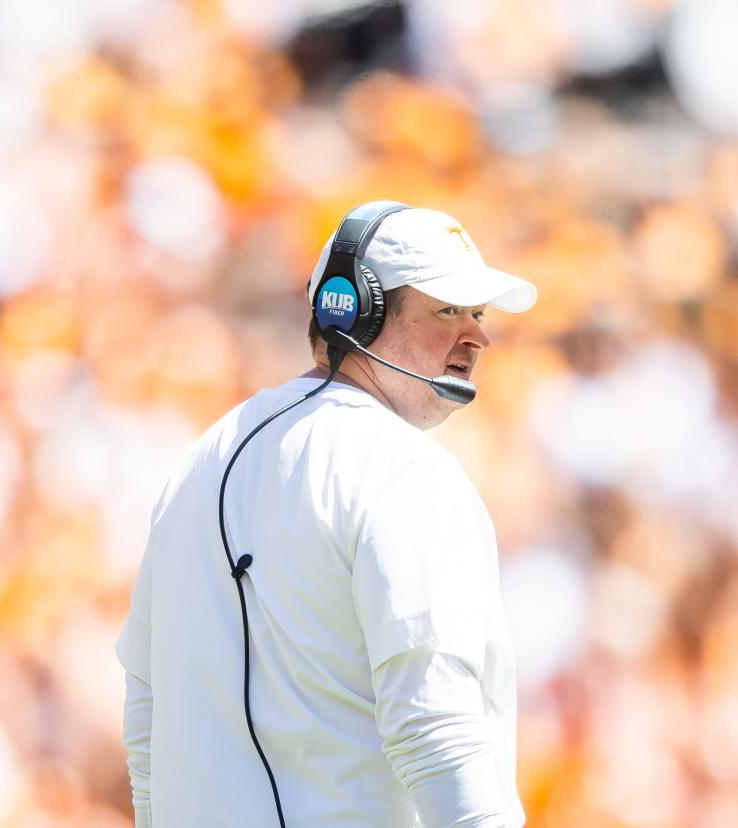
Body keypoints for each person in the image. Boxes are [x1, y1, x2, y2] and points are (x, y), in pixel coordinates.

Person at [116, 203, 537, 827]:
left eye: (478, 313)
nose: (476, 336)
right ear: (354, 310)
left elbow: (147, 715)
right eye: (447, 309)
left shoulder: (199, 459)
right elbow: (436, 726)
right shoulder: (405, 470)